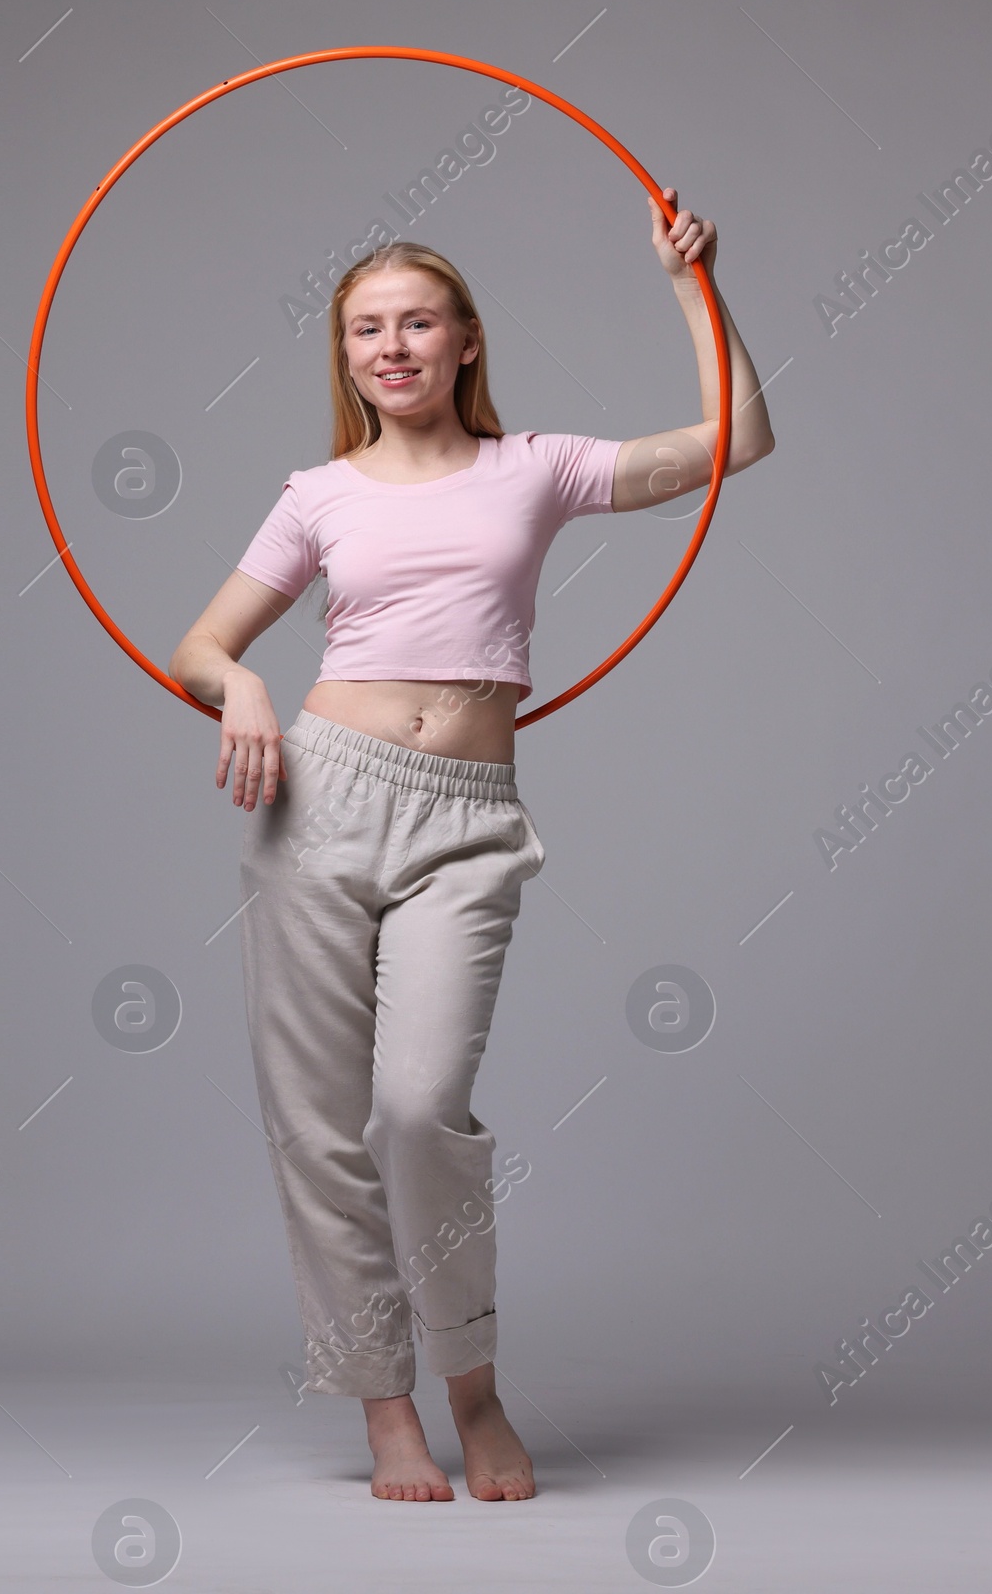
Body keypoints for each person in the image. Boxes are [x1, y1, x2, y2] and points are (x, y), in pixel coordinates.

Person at [168, 187, 775, 1502]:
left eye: (417, 323)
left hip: (467, 825)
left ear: (465, 344)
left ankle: (476, 1391)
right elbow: (201, 644)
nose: (391, 347)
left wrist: (694, 286)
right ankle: (387, 1413)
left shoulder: (537, 468)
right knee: (318, 1127)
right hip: (318, 800)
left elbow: (741, 439)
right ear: (346, 356)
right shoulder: (317, 494)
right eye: (365, 330)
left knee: (418, 1109)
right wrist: (251, 688)